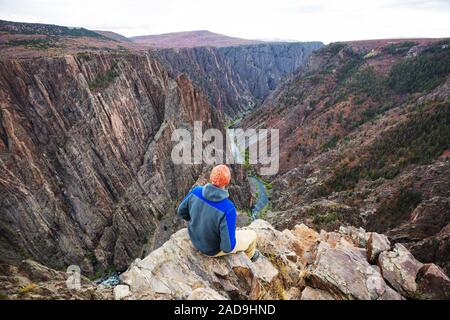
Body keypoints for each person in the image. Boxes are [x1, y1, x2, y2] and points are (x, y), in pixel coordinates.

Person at [176, 164, 259, 261]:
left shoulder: (196, 191)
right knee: (252, 235)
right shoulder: (228, 208)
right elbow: (227, 247)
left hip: (194, 237)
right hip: (211, 249)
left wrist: (197, 222)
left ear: (211, 177)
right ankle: (249, 259)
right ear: (227, 182)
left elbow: (181, 212)